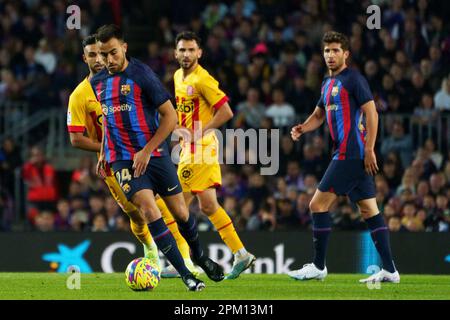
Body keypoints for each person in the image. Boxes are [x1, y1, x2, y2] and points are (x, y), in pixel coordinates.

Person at [92, 25, 224, 291]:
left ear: (124, 48)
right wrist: (104, 150)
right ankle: (186, 273)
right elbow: (108, 119)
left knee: (181, 213)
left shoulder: (141, 75)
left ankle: (198, 255)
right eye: (103, 55)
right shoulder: (97, 83)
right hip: (123, 160)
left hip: (154, 154)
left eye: (113, 53)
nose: (108, 60)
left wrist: (147, 149)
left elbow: (170, 116)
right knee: (149, 210)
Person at [67, 35, 200, 277]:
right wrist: (104, 149)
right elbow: (76, 138)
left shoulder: (125, 79)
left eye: (103, 53)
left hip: (141, 154)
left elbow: (116, 119)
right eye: (93, 55)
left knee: (159, 206)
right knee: (137, 214)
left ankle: (186, 262)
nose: (100, 59)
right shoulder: (80, 95)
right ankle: (150, 249)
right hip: (113, 162)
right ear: (84, 58)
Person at [289, 31, 400, 283]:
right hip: (350, 155)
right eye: (327, 50)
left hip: (350, 154)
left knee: (317, 205)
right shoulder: (327, 84)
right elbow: (318, 115)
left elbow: (372, 113)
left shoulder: (354, 79)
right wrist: (303, 127)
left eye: (335, 50)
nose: (330, 55)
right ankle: (391, 271)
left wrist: (370, 148)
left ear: (346, 54)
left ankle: (318, 267)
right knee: (369, 209)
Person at [169, 31, 255, 280]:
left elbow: (226, 111)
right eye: (182, 50)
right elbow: (184, 110)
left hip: (201, 148)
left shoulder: (202, 79)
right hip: (191, 148)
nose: (186, 54)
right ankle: (241, 254)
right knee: (208, 205)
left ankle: (183, 262)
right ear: (176, 53)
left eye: (191, 50)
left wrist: (199, 132)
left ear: (199, 53)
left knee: (178, 207)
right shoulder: (177, 76)